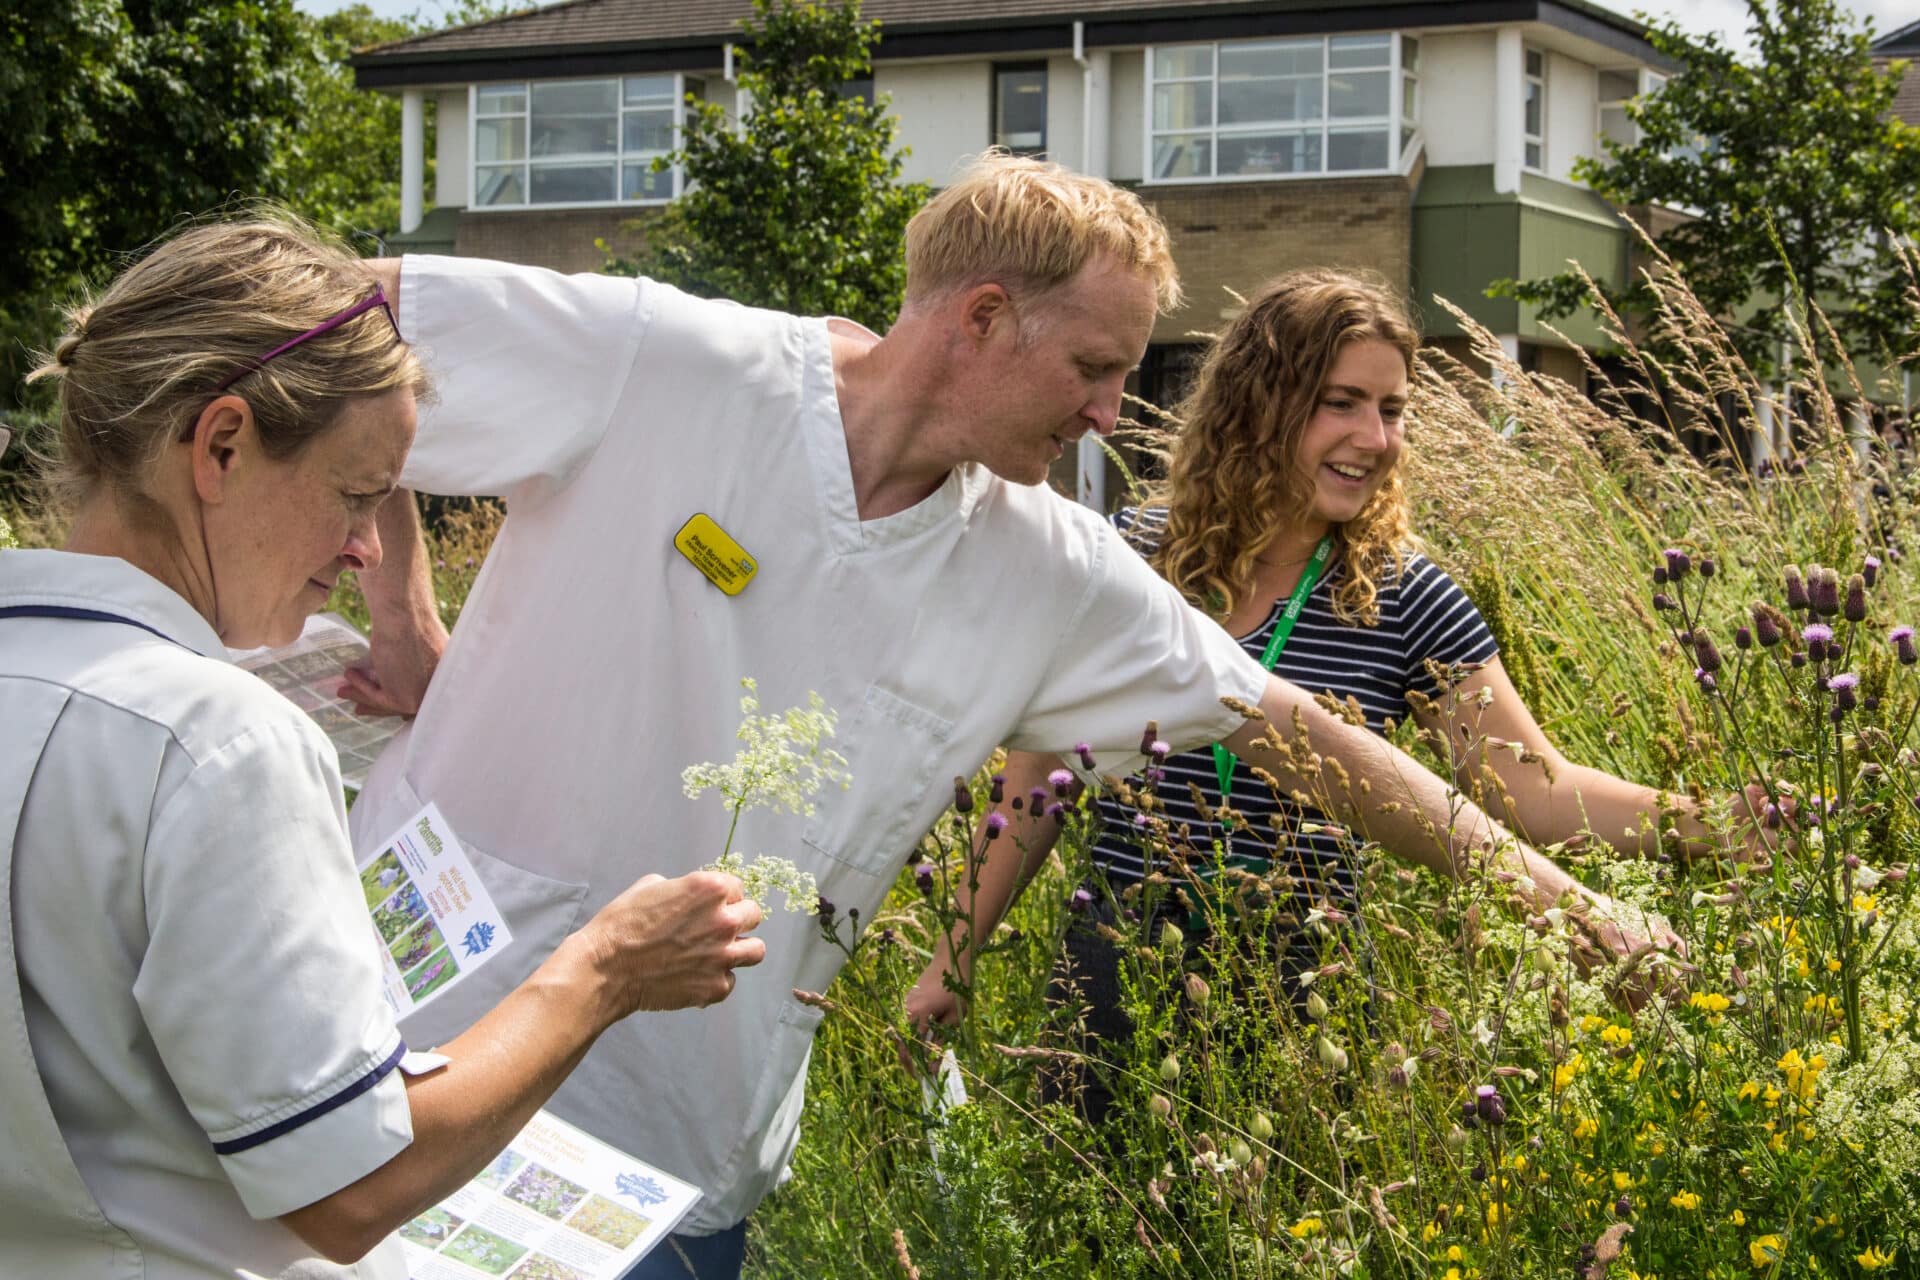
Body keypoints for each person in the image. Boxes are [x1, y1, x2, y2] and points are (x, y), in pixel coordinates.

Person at [343, 155, 1671, 1280]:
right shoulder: (675, 366)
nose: (1113, 409)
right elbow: (339, 319)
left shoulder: (1047, 570)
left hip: (673, 1172)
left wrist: (1574, 910)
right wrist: (403, 612)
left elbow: (1305, 737)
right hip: (408, 1052)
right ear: (982, 316)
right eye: (1096, 365)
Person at [0, 215, 764, 1278]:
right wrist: (605, 967)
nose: (365, 544)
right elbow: (350, 1185)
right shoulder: (218, 742)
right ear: (221, 444)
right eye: (355, 493)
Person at [904, 269, 1740, 1089]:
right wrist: (954, 960)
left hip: (1311, 1012)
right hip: (1117, 990)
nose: (1375, 439)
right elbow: (1033, 795)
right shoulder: (1126, 560)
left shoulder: (1407, 597)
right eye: (1341, 403)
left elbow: (1537, 793)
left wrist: (1718, 826)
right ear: (1259, 405)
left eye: (1392, 411)